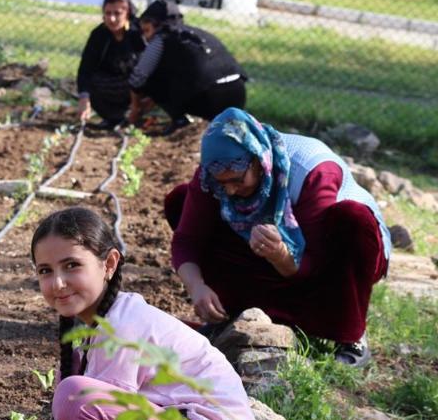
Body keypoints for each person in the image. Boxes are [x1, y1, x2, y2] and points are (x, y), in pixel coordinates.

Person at [1, 207, 258, 420]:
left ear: (109, 264)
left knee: (75, 397)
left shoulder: (121, 328)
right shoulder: (97, 324)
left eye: (71, 266)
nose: (59, 283)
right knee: (84, 401)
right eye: (45, 271)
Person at [165, 108, 391, 367]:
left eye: (237, 180)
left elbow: (315, 263)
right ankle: (237, 313)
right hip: (272, 256)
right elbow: (187, 239)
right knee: (181, 201)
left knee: (353, 219)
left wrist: (281, 255)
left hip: (336, 257)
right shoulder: (215, 173)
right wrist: (197, 287)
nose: (229, 189)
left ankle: (350, 335)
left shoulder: (313, 171)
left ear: (258, 161)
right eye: (221, 183)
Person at [127, 1, 246, 135]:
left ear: (155, 24)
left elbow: (138, 76)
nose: (145, 37)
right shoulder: (193, 33)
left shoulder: (161, 38)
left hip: (212, 98)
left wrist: (135, 108)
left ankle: (180, 121)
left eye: (146, 30)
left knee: (153, 77)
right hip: (238, 94)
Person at [77, 0, 145, 129]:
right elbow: (86, 69)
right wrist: (84, 98)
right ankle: (114, 118)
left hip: (137, 84)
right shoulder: (99, 35)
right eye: (108, 14)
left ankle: (137, 114)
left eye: (117, 13)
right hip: (111, 83)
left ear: (127, 13)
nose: (112, 19)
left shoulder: (138, 33)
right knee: (93, 83)